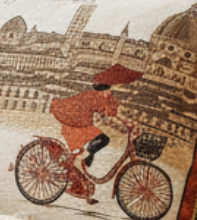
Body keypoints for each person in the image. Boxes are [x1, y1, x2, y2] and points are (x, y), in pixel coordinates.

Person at [48, 64, 142, 203]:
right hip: (73, 121)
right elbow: (110, 115)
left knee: (89, 154)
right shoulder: (97, 97)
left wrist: (125, 125)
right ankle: (79, 164)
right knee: (101, 140)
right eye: (111, 90)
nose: (111, 94)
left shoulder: (98, 97)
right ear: (105, 89)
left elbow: (109, 116)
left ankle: (84, 187)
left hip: (80, 121)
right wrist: (127, 123)